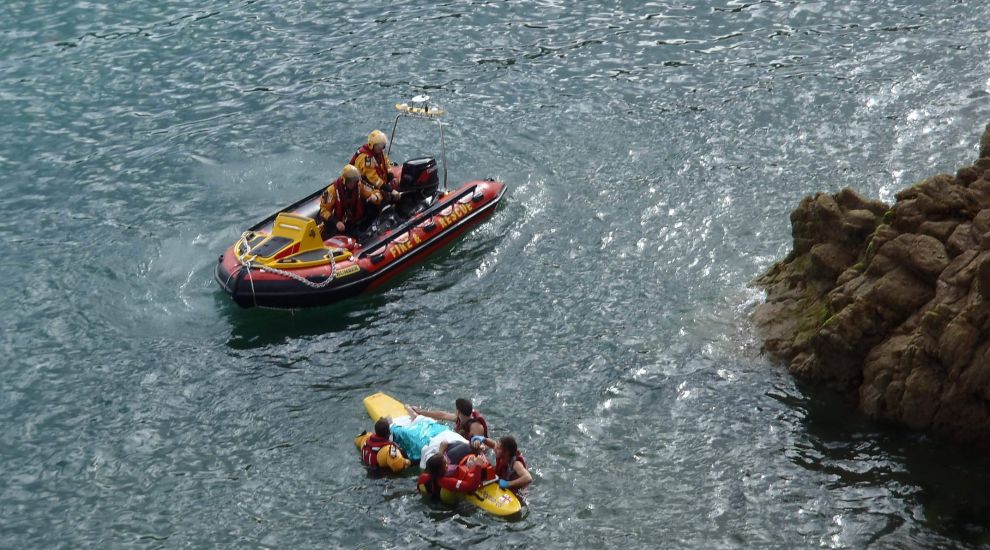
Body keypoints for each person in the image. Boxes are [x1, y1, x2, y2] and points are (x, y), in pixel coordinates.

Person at [318, 164, 382, 237]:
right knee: (330, 231)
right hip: (339, 222)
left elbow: (375, 192)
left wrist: (376, 197)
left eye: (355, 181)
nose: (353, 183)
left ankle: (364, 231)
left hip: (354, 220)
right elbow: (324, 210)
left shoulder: (359, 186)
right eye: (351, 181)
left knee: (372, 208)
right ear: (345, 180)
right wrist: (336, 222)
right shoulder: (331, 191)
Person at [416, 448, 492, 501]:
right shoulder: (448, 482)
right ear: (440, 469)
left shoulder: (423, 477)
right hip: (449, 509)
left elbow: (419, 488)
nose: (447, 465)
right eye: (445, 464)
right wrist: (478, 466)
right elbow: (472, 486)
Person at [350, 130, 401, 203]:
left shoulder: (379, 152)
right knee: (380, 201)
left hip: (378, 180)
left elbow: (387, 163)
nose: (382, 148)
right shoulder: (367, 158)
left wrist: (392, 177)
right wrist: (391, 190)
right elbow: (373, 179)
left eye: (383, 145)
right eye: (380, 145)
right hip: (366, 184)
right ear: (372, 144)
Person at [410, 398, 489, 439]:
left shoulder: (476, 427)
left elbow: (482, 446)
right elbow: (442, 415)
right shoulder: (460, 418)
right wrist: (420, 412)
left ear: (458, 411)